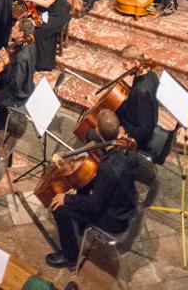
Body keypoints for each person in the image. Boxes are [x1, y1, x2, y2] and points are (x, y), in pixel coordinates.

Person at [46, 109, 139, 269]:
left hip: (114, 220)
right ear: (120, 129)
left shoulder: (108, 168)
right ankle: (81, 226)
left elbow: (93, 205)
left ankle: (69, 256)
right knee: (86, 183)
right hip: (126, 204)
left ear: (98, 130)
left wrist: (66, 198)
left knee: (59, 208)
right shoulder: (130, 151)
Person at [0, 17, 36, 119]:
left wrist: (6, 63)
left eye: (15, 27)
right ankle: (1, 113)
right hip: (27, 86)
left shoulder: (21, 57)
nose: (12, 28)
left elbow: (15, 85)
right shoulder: (31, 45)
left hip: (17, 95)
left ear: (21, 34)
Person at [27, 0, 71, 71]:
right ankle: (29, 57)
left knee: (38, 30)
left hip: (57, 14)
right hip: (47, 10)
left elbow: (47, 3)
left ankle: (42, 63)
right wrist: (31, 6)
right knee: (28, 22)